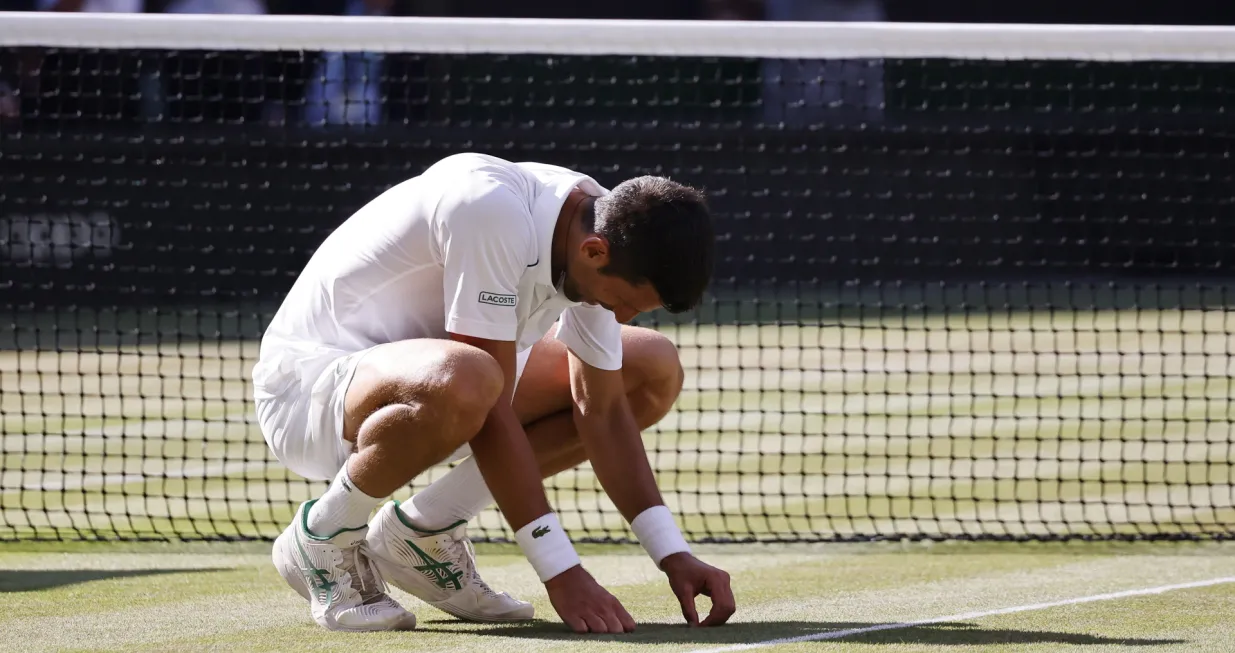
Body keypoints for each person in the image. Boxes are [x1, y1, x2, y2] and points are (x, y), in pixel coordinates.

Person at [252, 152, 736, 633]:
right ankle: (326, 530)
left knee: (649, 369)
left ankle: (422, 532)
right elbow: (491, 407)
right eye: (624, 303)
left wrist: (673, 554)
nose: (622, 318)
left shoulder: (597, 224)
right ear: (593, 252)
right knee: (472, 377)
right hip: (309, 397)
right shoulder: (489, 211)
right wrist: (561, 571)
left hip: (437, 386)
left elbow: (603, 411)